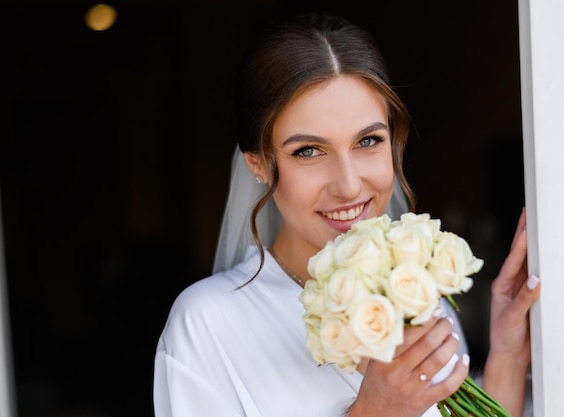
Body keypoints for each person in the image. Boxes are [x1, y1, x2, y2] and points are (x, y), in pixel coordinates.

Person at [153, 13, 540, 417]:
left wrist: (509, 356)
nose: (350, 185)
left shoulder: (417, 292)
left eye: (368, 141)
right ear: (259, 164)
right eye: (308, 151)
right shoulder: (209, 324)